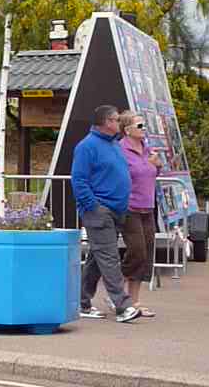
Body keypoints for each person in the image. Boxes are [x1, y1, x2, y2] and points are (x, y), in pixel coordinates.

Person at [72, 105, 141, 323]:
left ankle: (82, 302)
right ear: (105, 122)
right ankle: (123, 305)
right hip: (100, 212)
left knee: (97, 258)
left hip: (116, 210)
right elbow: (79, 180)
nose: (120, 122)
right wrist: (94, 206)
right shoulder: (87, 146)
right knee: (109, 257)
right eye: (116, 118)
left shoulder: (113, 144)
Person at [118, 110, 161, 318]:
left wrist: (157, 166)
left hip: (148, 207)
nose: (144, 129)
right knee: (137, 251)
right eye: (140, 125)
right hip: (130, 207)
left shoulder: (147, 149)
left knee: (146, 255)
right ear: (127, 130)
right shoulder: (120, 150)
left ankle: (134, 301)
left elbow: (151, 174)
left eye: (144, 125)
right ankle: (117, 291)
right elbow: (121, 176)